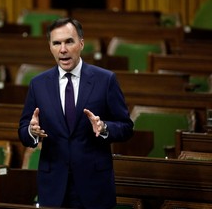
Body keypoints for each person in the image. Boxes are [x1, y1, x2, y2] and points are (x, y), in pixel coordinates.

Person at [18, 17, 134, 209]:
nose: (63, 49)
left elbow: (126, 127)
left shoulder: (105, 80)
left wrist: (104, 128)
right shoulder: (38, 84)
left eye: (68, 41)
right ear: (50, 47)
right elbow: (23, 130)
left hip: (94, 187)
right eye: (57, 43)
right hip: (53, 187)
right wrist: (31, 131)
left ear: (81, 43)